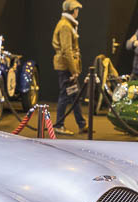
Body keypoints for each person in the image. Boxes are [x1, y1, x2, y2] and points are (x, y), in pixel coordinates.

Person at [53, 0, 87, 135]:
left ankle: (82, 124)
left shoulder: (68, 24)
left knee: (74, 96)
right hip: (66, 67)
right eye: (77, 9)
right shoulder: (66, 26)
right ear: (73, 11)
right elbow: (67, 51)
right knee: (65, 96)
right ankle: (59, 125)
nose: (78, 12)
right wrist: (74, 71)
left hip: (66, 66)